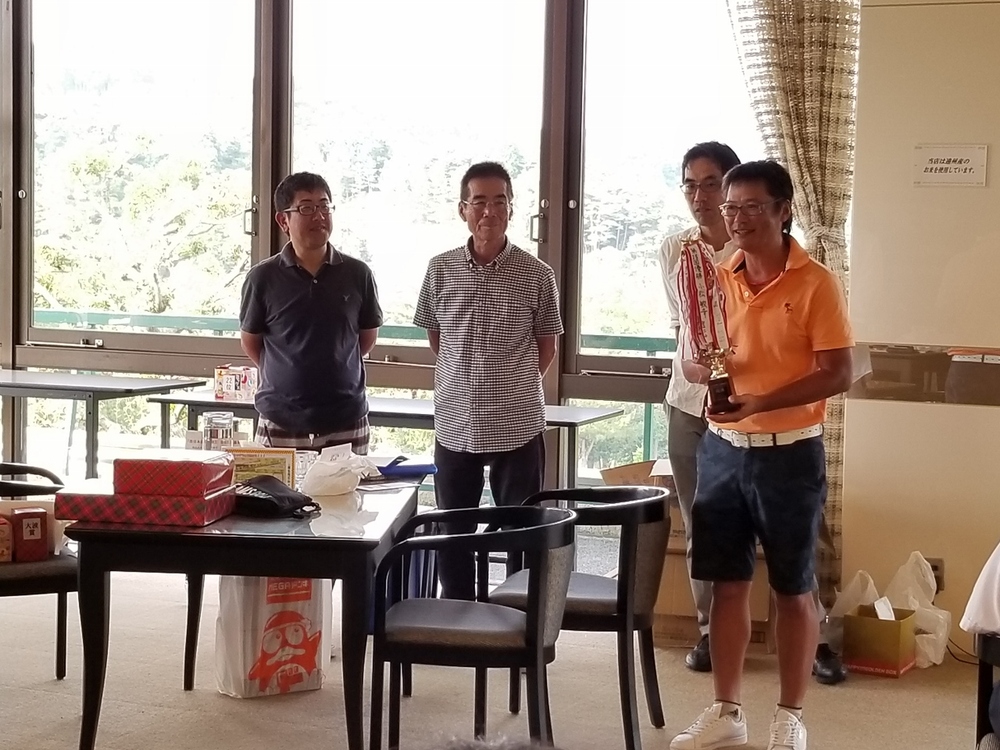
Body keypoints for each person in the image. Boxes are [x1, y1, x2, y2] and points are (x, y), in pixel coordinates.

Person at [670, 160, 854, 750]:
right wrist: (702, 368)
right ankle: (727, 711)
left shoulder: (816, 282)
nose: (738, 218)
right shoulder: (717, 275)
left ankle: (790, 716)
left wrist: (762, 401)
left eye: (752, 207)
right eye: (731, 208)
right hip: (723, 449)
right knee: (727, 584)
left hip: (790, 454)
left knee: (792, 588)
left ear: (783, 210)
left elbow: (838, 372)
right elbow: (695, 355)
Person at [413, 161, 563, 601]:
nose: (489, 211)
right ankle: (458, 612)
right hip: (455, 422)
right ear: (463, 209)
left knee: (521, 529)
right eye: (479, 201)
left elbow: (547, 347)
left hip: (517, 422)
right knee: (453, 527)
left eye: (500, 201)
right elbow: (437, 337)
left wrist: (508, 386)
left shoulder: (538, 274)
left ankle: (520, 613)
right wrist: (468, 381)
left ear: (512, 209)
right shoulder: (439, 269)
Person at [239, 171, 383, 454]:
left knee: (350, 486)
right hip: (280, 418)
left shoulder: (358, 274)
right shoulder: (262, 278)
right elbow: (251, 342)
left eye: (324, 206)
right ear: (283, 220)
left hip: (346, 417)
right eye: (306, 208)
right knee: (275, 486)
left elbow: (366, 339)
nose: (319, 216)